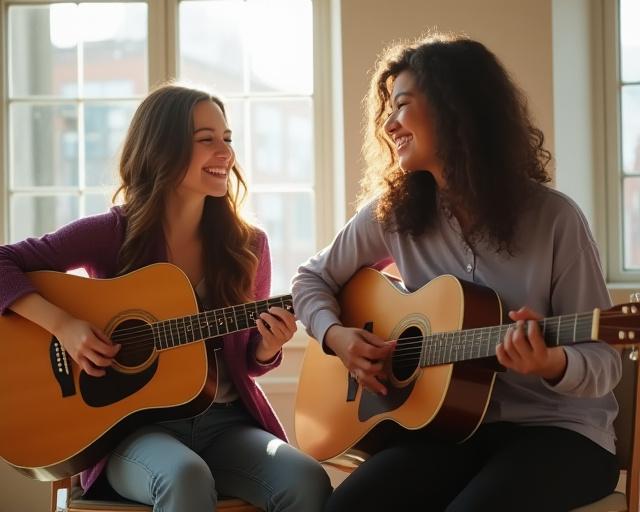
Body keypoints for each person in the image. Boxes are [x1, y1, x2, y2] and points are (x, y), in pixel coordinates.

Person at [292, 32, 621, 512]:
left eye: (402, 105)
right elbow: (309, 280)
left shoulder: (554, 219)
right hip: (450, 431)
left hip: (560, 433)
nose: (388, 124)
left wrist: (550, 363)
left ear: (454, 108)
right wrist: (338, 337)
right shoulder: (393, 214)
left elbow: (606, 362)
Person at [0, 83, 331, 512]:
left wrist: (267, 347)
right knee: (185, 477)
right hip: (132, 433)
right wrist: (64, 326)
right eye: (206, 140)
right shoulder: (112, 233)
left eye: (227, 139)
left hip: (225, 424)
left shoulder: (249, 245)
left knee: (307, 480)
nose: (225, 152)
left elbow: (245, 359)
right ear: (163, 148)